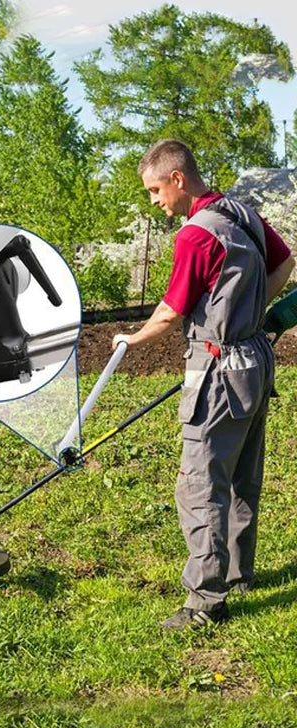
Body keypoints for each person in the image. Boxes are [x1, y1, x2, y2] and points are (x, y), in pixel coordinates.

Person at [112, 139, 294, 630]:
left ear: (177, 179)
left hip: (217, 371)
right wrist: (250, 311)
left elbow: (171, 312)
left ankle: (204, 603)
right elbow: (284, 264)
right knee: (241, 476)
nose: (154, 201)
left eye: (154, 190)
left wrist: (131, 339)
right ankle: (238, 574)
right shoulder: (243, 213)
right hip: (256, 359)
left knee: (200, 484)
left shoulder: (195, 234)